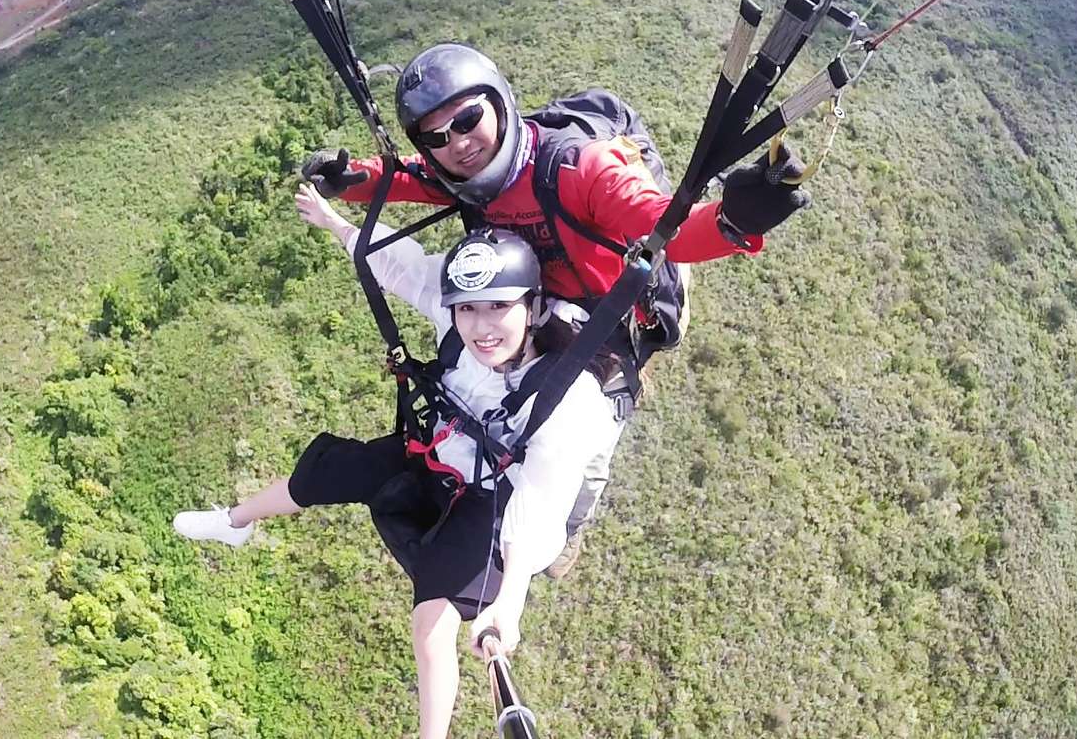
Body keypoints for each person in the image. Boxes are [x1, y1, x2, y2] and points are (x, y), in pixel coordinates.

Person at [303, 43, 812, 575]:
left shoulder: (579, 167)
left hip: (608, 321)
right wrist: (351, 181)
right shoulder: (464, 174)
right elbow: (411, 177)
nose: (458, 143)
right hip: (538, 305)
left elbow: (663, 225)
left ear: (498, 104)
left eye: (468, 118)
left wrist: (734, 220)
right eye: (436, 137)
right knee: (515, 401)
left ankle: (570, 525)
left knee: (589, 447)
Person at [173, 184, 621, 739]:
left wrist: (509, 603)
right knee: (329, 471)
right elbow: (402, 267)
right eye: (469, 310)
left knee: (431, 623)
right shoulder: (457, 326)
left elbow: (540, 500)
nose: (482, 327)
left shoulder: (564, 393)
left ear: (531, 307)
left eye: (499, 308)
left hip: (492, 498)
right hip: (438, 451)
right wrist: (337, 224)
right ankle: (235, 522)